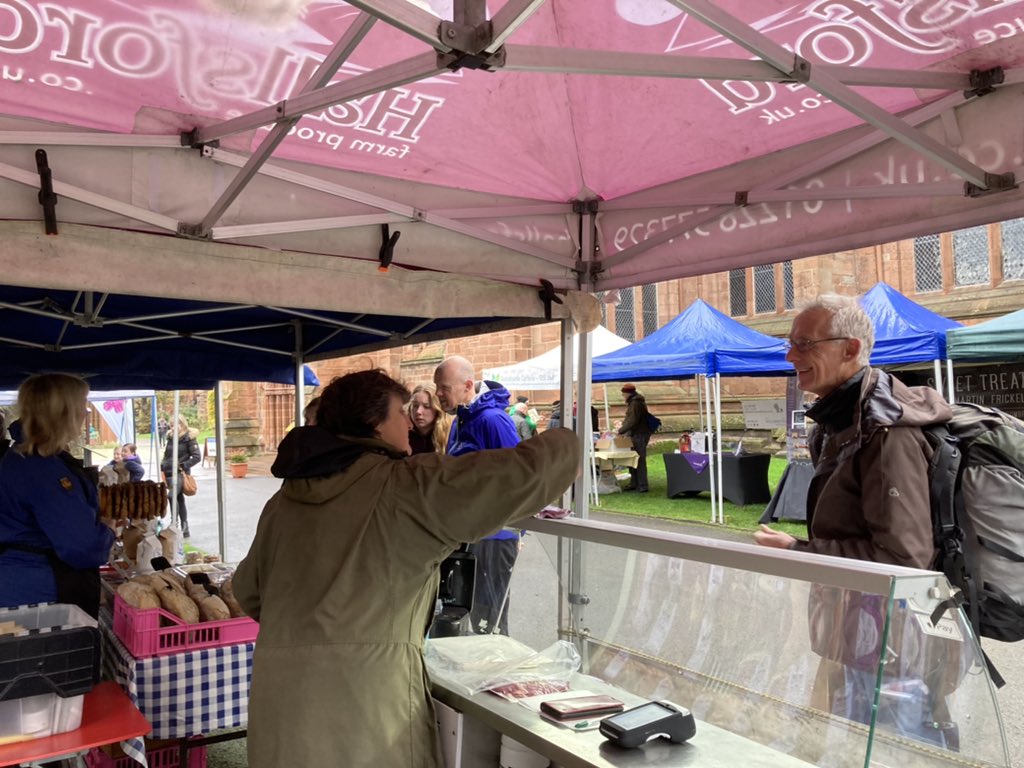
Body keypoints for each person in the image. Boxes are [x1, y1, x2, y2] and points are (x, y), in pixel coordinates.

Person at [233, 369, 578, 768]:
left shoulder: (283, 502)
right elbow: (525, 474)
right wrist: (564, 433)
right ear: (375, 423)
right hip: (366, 704)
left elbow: (250, 592)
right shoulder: (405, 485)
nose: (409, 419)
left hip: (280, 699)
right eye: (402, 411)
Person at [754, 294, 960, 747]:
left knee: (896, 750)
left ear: (850, 349)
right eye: (789, 343)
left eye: (805, 343)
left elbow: (904, 558)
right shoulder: (843, 418)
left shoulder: (885, 431)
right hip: (860, 635)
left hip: (893, 647)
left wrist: (799, 551)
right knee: (848, 745)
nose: (791, 356)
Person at [0, 373, 115, 618]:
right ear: (64, 413)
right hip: (38, 594)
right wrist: (108, 529)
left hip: (20, 584)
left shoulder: (23, 457)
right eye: (82, 406)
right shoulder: (41, 469)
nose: (86, 414)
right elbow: (81, 546)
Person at [434, 355, 521, 635]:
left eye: (443, 387)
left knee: (490, 621)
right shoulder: (462, 420)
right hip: (469, 534)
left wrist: (518, 530)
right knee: (469, 613)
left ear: (468, 385)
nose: (437, 394)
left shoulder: (492, 420)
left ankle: (499, 675)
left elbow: (519, 477)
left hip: (495, 537)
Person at [160, 416, 201, 538]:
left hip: (179, 473)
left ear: (182, 424)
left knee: (171, 496)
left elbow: (196, 457)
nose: (172, 427)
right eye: (171, 425)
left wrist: (183, 465)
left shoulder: (189, 438)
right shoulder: (170, 437)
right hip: (168, 472)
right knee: (179, 499)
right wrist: (162, 465)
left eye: (175, 424)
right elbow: (167, 454)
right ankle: (185, 527)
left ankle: (174, 523)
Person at [618, 383, 653, 493]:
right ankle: (635, 483)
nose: (623, 396)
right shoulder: (636, 402)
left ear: (628, 393)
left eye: (623, 394)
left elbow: (632, 420)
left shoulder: (635, 403)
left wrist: (620, 430)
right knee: (633, 459)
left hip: (639, 434)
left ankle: (642, 485)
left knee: (639, 459)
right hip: (637, 433)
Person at [407, 383, 450, 455]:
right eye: (415, 406)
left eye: (426, 406)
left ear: (437, 409)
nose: (418, 411)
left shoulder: (449, 436)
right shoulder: (402, 435)